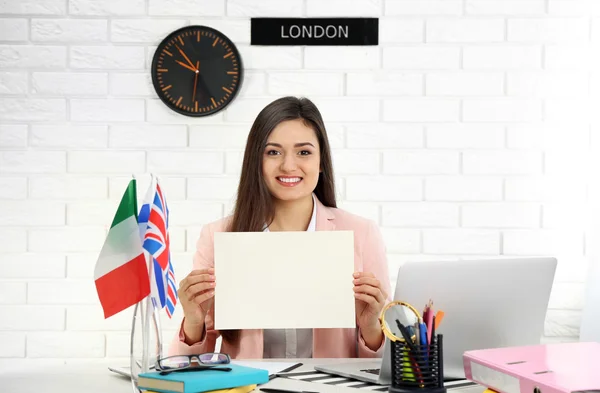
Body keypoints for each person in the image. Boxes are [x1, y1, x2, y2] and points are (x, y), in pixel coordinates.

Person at [169, 96, 391, 359]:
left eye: (304, 152)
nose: (288, 165)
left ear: (321, 162)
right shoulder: (219, 236)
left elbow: (383, 369)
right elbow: (188, 367)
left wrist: (371, 327)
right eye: (273, 152)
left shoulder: (361, 233)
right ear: (256, 161)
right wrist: (193, 321)